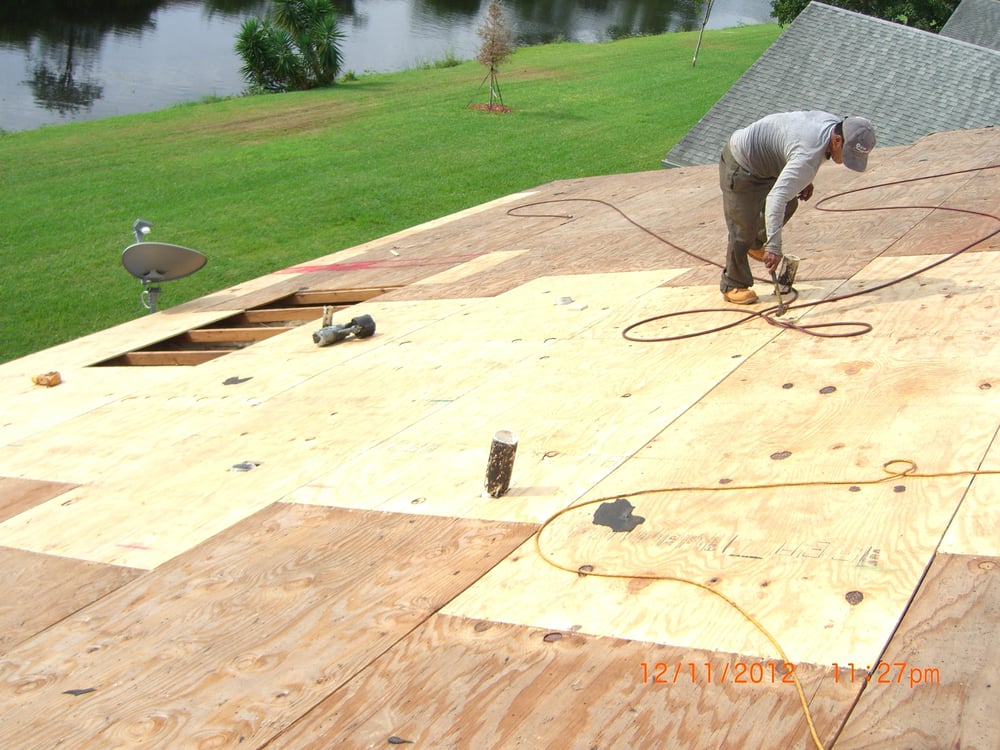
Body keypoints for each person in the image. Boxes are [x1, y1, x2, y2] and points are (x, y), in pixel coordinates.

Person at [718, 111, 876, 304]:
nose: (846, 160)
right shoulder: (809, 154)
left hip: (769, 165)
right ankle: (733, 283)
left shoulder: (834, 125)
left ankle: (756, 243)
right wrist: (774, 248)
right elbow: (778, 196)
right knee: (742, 229)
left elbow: (793, 145)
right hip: (741, 166)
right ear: (836, 140)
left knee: (790, 202)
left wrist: (802, 181)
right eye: (847, 154)